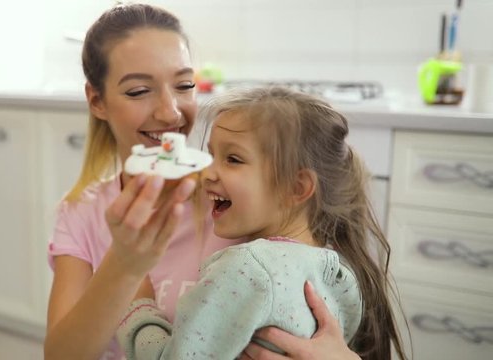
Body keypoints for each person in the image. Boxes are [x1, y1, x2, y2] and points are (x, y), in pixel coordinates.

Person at [43, 3, 364, 360]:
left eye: (184, 85)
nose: (170, 112)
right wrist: (124, 264)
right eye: (138, 91)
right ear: (97, 101)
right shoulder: (81, 213)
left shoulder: (239, 202)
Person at [115, 86, 408, 360]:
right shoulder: (339, 270)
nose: (207, 173)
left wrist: (138, 307)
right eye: (211, 154)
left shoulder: (245, 270)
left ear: (297, 187)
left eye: (233, 159)